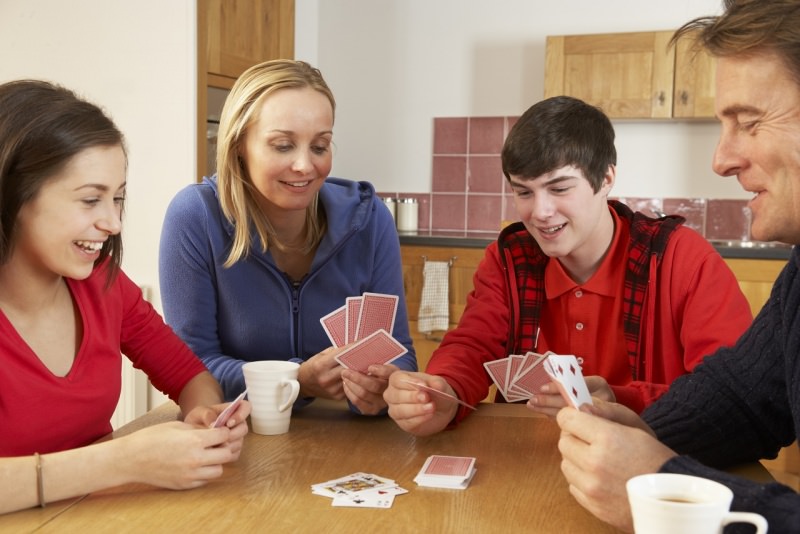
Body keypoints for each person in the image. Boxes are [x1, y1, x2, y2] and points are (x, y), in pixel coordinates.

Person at [555, 1, 800, 532]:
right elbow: (742, 395)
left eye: (750, 122)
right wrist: (644, 431)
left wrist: (663, 487)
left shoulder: (681, 253)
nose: (721, 159)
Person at [384, 95, 752, 437]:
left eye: (559, 189)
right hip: (526, 459)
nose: (540, 212)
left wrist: (620, 399)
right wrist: (443, 388)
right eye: (523, 191)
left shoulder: (684, 259)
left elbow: (729, 399)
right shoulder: (508, 258)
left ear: (606, 178)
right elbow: (472, 345)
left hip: (649, 466)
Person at [0, 80, 250, 515]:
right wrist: (122, 461)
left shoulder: (105, 285)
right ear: (12, 196)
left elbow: (190, 375)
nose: (113, 223)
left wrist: (206, 418)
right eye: (90, 199)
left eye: (117, 199)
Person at [159, 59, 416, 416]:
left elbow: (400, 351)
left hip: (344, 438)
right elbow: (191, 367)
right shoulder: (195, 217)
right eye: (282, 145)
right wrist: (295, 379)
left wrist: (386, 385)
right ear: (238, 146)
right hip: (237, 434)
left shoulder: (370, 220)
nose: (305, 166)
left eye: (320, 146)